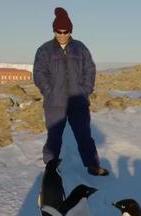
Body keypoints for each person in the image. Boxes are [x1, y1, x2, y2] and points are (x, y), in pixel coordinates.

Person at [33, 7, 109, 176]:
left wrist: (85, 90)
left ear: (70, 30)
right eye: (58, 31)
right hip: (55, 102)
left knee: (84, 135)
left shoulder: (80, 48)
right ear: (54, 31)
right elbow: (39, 73)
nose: (61, 34)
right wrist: (49, 91)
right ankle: (51, 167)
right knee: (54, 137)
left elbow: (90, 69)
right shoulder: (44, 50)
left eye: (65, 31)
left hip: (78, 101)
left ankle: (92, 165)